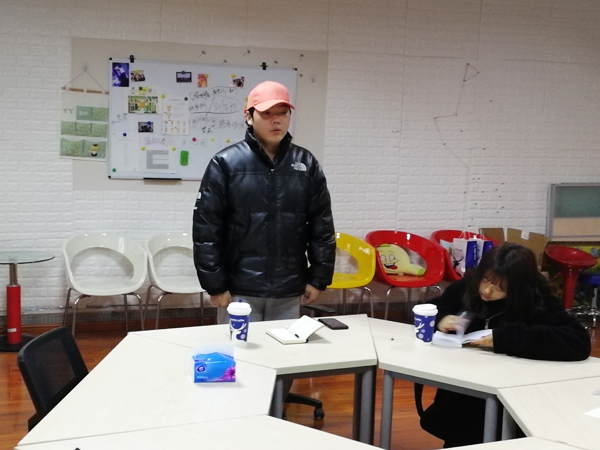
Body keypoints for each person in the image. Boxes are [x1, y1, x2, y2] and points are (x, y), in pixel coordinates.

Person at [419, 242, 591, 448]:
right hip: (462, 392)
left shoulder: (538, 299)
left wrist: (505, 338)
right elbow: (432, 308)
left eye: (500, 287)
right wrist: (441, 318)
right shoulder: (468, 286)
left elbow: (577, 341)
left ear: (518, 287)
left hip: (512, 396)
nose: (487, 290)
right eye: (485, 280)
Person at [192, 80, 336, 323]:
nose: (276, 120)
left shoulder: (306, 163)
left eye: (283, 112)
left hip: (289, 287)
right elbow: (206, 230)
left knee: (283, 346)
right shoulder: (225, 163)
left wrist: (318, 277)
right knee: (240, 345)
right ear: (249, 117)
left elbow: (322, 226)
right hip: (239, 288)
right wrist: (215, 285)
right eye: (267, 113)